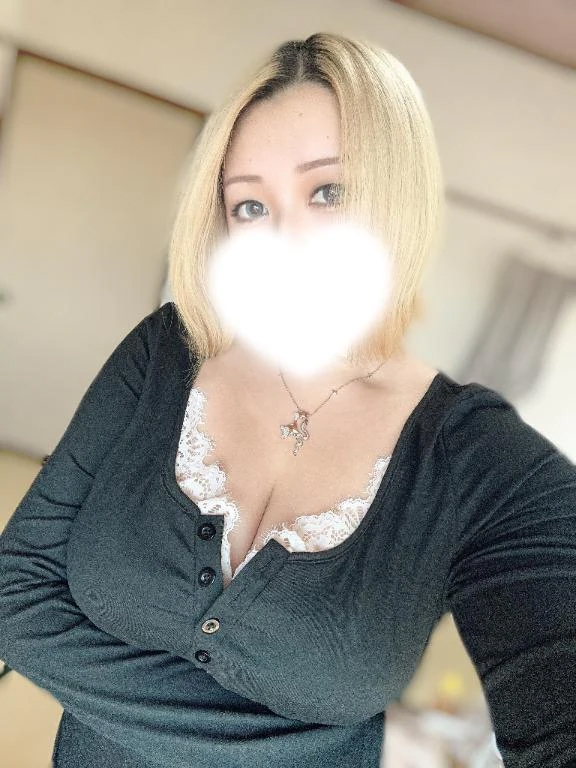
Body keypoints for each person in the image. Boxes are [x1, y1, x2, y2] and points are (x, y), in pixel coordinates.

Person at [0, 32, 575, 768]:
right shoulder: (165, 351)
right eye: (249, 206)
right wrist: (321, 739)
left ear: (396, 196)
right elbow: (16, 592)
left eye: (327, 193)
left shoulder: (486, 465)